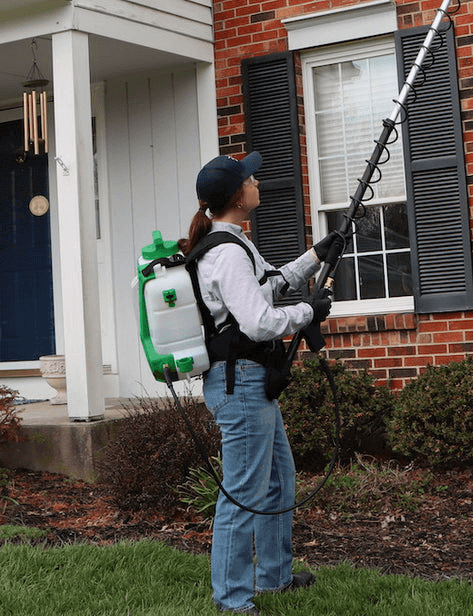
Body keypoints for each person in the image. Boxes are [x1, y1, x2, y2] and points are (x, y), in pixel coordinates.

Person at [180, 151, 336, 615]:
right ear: (237, 196)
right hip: (241, 385)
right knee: (244, 493)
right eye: (250, 178)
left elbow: (263, 289)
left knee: (277, 479)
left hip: (248, 382)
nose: (257, 182)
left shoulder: (231, 243)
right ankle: (233, 600)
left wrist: (314, 258)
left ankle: (274, 577)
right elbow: (259, 321)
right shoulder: (226, 252)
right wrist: (308, 312)